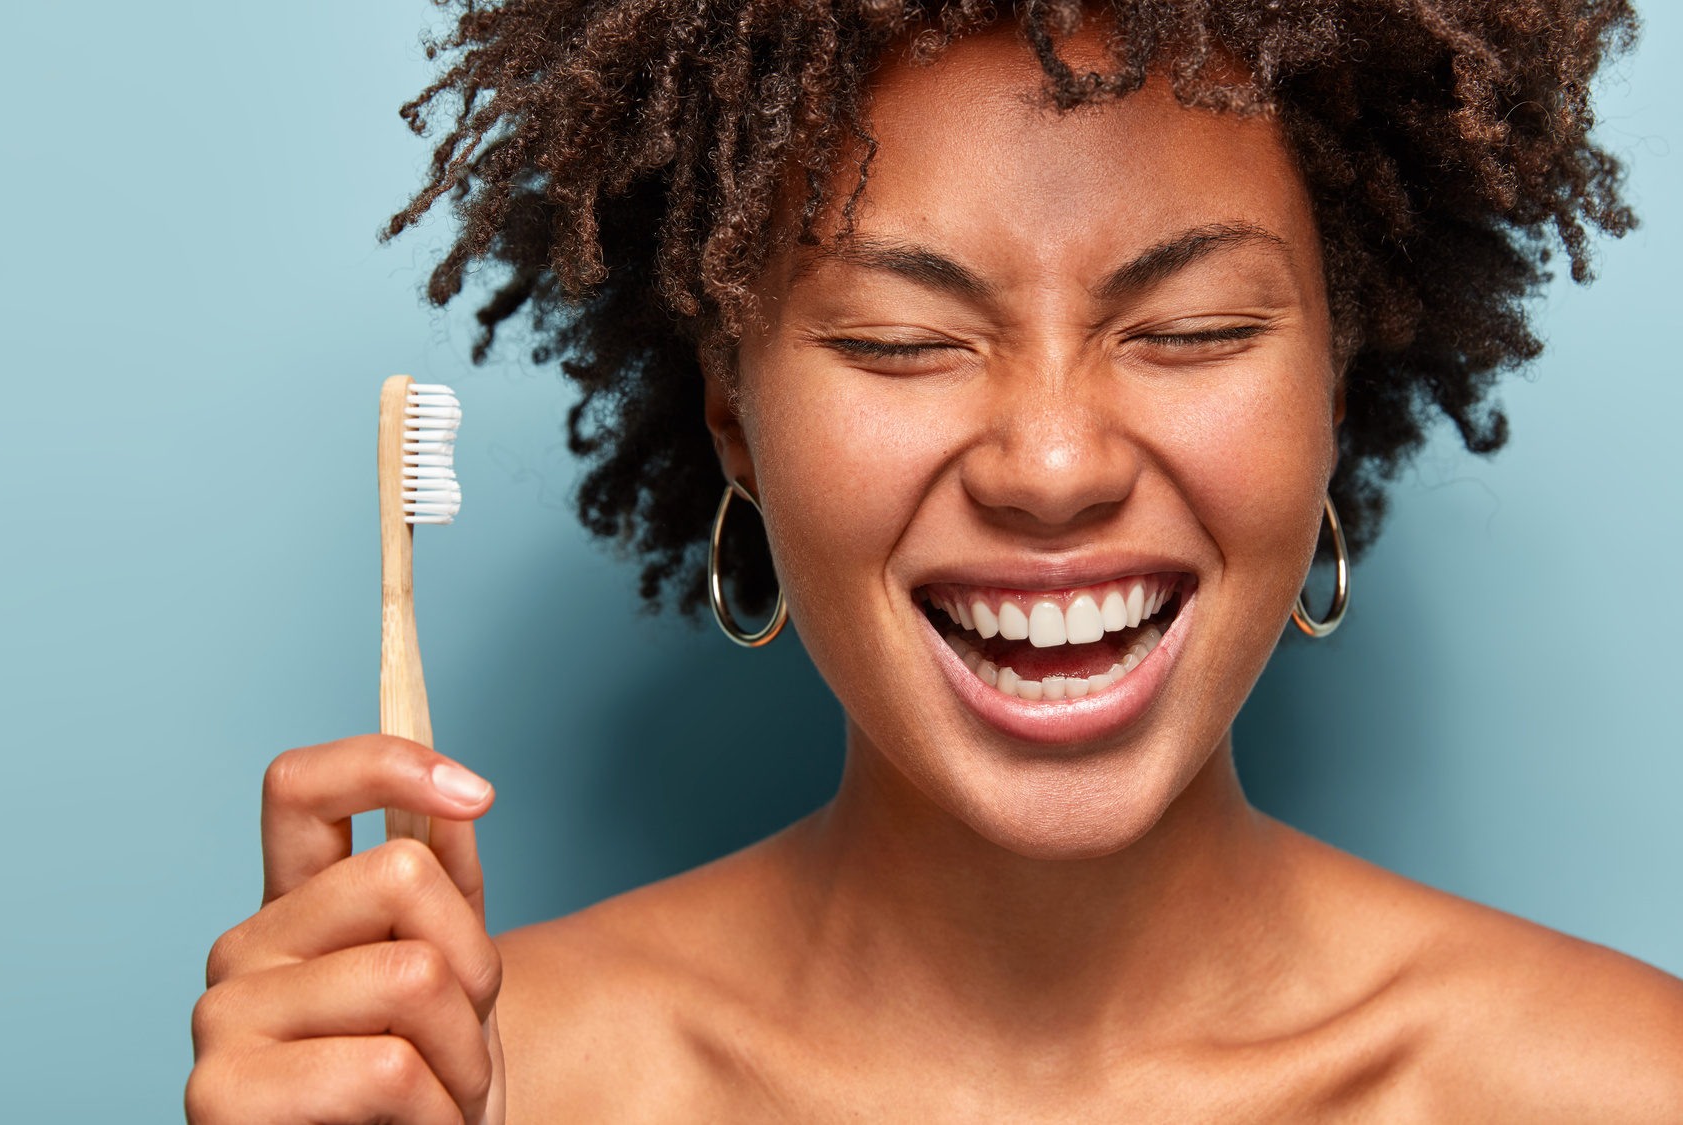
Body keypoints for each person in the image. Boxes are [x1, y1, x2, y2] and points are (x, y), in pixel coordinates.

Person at [185, 2, 1683, 1121]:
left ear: (1331, 393)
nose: (1052, 463)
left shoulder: (1623, 1086)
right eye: (903, 341)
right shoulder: (474, 1089)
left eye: (1194, 330)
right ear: (737, 423)